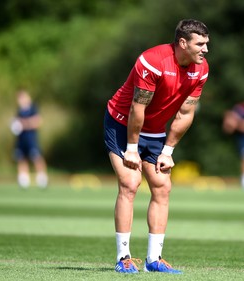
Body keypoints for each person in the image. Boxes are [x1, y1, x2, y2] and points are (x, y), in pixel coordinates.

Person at [103, 19, 209, 274]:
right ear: (183, 43)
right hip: (122, 123)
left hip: (155, 130)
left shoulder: (201, 69)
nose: (205, 49)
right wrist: (131, 148)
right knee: (130, 183)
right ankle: (124, 258)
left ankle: (154, 259)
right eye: (200, 44)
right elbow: (136, 109)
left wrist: (168, 151)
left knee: (162, 187)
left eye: (207, 44)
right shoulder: (153, 62)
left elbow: (185, 113)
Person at [11, 90, 48, 188]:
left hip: (31, 139)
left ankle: (42, 178)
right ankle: (23, 179)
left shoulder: (33, 109)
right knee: (21, 158)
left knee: (36, 157)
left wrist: (23, 124)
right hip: (21, 140)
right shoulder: (19, 111)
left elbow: (38, 122)